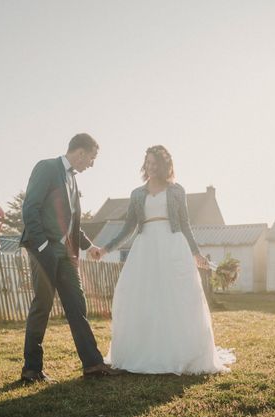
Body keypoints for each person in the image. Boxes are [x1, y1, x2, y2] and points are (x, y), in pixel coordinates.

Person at [98, 145, 235, 374]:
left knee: (177, 297)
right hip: (145, 248)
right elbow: (128, 228)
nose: (150, 167)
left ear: (164, 166)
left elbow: (185, 225)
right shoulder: (137, 194)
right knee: (139, 296)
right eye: (147, 163)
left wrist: (196, 253)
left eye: (155, 164)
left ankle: (178, 353)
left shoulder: (176, 191)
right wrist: (105, 249)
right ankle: (143, 353)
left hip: (173, 245)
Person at [19, 133, 123, 382]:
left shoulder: (74, 181)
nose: (91, 164)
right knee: (42, 306)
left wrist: (90, 247)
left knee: (77, 305)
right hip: (43, 249)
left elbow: (73, 223)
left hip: (66, 253)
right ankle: (31, 369)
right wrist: (42, 245)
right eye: (92, 158)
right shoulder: (46, 167)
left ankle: (93, 364)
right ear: (80, 152)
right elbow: (30, 207)